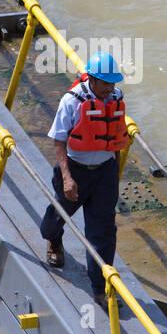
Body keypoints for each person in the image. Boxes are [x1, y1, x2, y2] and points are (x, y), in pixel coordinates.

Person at [40, 51, 128, 309]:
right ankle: (53, 240)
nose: (110, 88)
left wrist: (115, 173)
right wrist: (67, 178)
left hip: (104, 173)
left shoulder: (116, 98)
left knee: (103, 231)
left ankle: (101, 290)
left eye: (113, 83)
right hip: (74, 170)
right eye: (106, 83)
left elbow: (118, 136)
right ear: (92, 79)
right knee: (54, 220)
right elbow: (59, 140)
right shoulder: (72, 101)